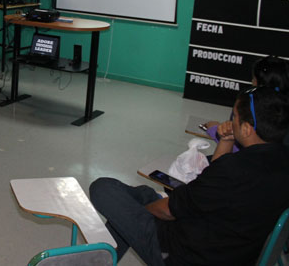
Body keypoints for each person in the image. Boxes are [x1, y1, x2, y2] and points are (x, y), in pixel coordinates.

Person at [89, 86, 289, 266]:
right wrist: (226, 140)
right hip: (230, 249)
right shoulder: (280, 163)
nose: (230, 122)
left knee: (103, 189)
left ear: (246, 129)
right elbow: (214, 185)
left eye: (234, 117)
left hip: (182, 253)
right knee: (144, 193)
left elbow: (169, 211)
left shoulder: (233, 170)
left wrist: (137, 213)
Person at [205, 55, 289, 151]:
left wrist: (215, 131)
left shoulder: (249, 103)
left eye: (253, 79)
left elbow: (241, 142)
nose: (252, 81)